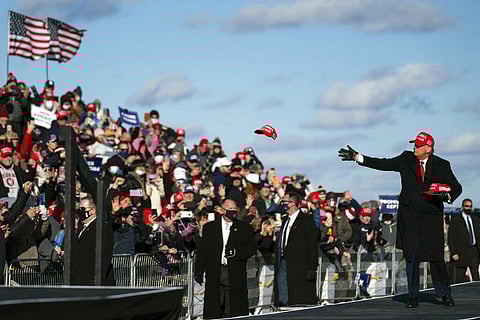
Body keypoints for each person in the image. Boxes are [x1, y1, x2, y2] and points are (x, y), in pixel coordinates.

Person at [338, 131, 462, 308]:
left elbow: (457, 187)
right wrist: (358, 157)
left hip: (431, 218)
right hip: (410, 218)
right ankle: (413, 295)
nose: (414, 148)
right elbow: (383, 163)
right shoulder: (406, 159)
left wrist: (447, 196)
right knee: (411, 256)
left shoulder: (442, 165)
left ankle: (444, 294)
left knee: (436, 258)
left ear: (428, 148)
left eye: (418, 145)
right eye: (414, 144)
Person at [194, 198, 256, 319]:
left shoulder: (244, 228)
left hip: (234, 271)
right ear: (222, 210)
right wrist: (199, 271)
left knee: (232, 305)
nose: (233, 211)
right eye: (230, 209)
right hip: (215, 271)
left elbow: (252, 247)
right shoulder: (210, 228)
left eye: (234, 209)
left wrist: (237, 252)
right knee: (214, 304)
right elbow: (203, 251)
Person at [274, 192, 318, 307]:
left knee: (298, 294)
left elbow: (312, 245)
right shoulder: (285, 220)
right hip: (283, 261)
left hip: (300, 264)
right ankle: (284, 306)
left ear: (292, 203)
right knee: (282, 284)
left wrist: (312, 267)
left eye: (284, 201)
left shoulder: (306, 221)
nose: (282, 204)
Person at [72, 196, 115, 285]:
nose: (79, 212)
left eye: (83, 209)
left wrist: (96, 278)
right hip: (80, 279)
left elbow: (105, 254)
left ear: (93, 210)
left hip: (93, 280)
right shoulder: (82, 227)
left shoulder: (102, 227)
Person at [448, 198, 479, 283]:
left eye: (470, 206)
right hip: (461, 251)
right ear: (462, 207)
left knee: (475, 275)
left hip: (474, 250)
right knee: (460, 276)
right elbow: (451, 238)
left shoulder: (475, 219)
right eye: (467, 206)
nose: (468, 208)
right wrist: (454, 252)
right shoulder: (456, 221)